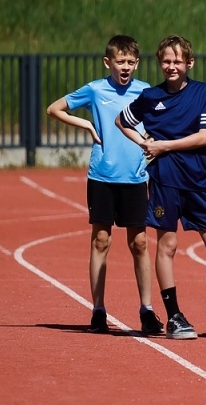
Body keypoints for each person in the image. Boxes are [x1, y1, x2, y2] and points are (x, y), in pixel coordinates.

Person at [114, 35, 206, 340]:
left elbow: (204, 137)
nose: (171, 66)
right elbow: (121, 121)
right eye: (166, 61)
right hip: (164, 181)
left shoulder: (203, 92)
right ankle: (174, 316)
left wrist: (164, 146)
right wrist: (144, 142)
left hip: (195, 182)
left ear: (189, 63)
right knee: (168, 245)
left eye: (177, 61)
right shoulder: (150, 97)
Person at [45, 35, 156, 334]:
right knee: (101, 240)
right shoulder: (96, 90)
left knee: (140, 243)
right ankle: (98, 309)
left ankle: (147, 309)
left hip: (135, 175)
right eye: (120, 61)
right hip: (103, 175)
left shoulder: (145, 90)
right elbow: (55, 108)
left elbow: (159, 120)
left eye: (131, 62)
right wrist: (87, 124)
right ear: (108, 62)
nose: (126, 67)